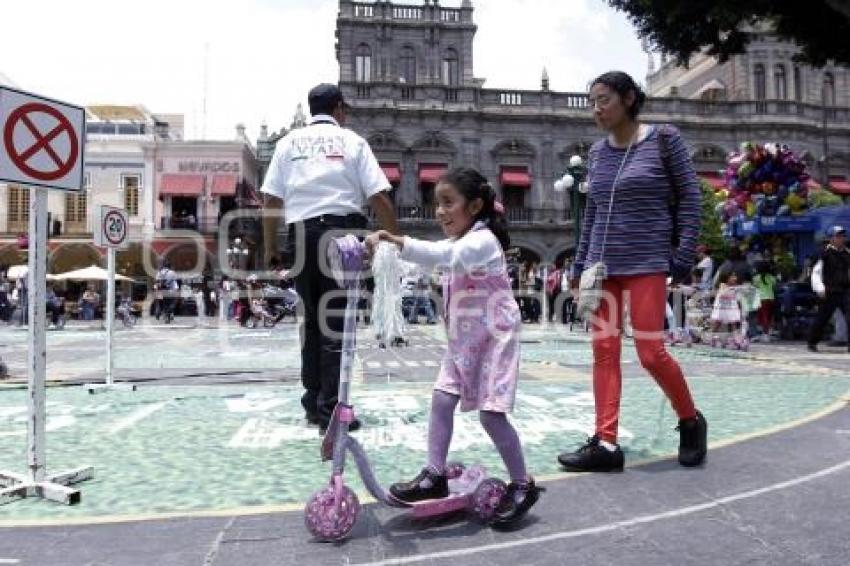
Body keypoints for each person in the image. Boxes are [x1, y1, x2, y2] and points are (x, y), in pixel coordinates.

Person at [366, 167, 542, 526]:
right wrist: (382, 248)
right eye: (437, 204)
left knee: (491, 415)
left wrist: (397, 240)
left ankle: (522, 483)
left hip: (495, 340)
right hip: (463, 340)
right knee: (441, 398)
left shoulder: (482, 242)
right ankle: (434, 474)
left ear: (475, 206)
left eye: (449, 203)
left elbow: (444, 257)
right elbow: (427, 258)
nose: (441, 211)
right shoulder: (456, 243)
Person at [558, 71, 707, 473]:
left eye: (603, 100)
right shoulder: (598, 153)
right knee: (603, 351)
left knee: (650, 353)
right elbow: (592, 212)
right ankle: (605, 444)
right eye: (592, 102)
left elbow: (691, 198)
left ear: (628, 99)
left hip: (647, 261)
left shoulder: (664, 139)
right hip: (603, 266)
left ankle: (690, 420)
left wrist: (684, 252)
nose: (596, 110)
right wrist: (579, 265)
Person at [261, 83, 399, 433]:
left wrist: (272, 248)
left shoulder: (287, 143)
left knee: (311, 322)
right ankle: (332, 413)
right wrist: (394, 238)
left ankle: (313, 402)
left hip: (302, 238)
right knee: (336, 326)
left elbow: (271, 201)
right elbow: (380, 196)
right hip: (342, 238)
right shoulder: (353, 142)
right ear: (339, 108)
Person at [807, 226, 850, 352]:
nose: (841, 238)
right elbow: (816, 272)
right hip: (829, 291)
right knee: (822, 318)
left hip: (846, 290)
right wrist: (820, 288)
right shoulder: (823, 253)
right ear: (831, 238)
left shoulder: (847, 253)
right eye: (838, 236)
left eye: (842, 236)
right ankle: (812, 342)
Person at [753, 261, 777, 340]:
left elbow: (754, 287)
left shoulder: (756, 278)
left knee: (763, 317)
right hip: (770, 299)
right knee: (769, 316)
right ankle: (768, 331)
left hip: (761, 299)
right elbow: (774, 285)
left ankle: (765, 333)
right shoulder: (771, 277)